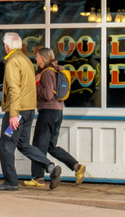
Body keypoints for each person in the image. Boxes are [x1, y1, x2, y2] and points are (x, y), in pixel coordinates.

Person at [0, 32, 49, 191]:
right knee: (23, 144)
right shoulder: (26, 60)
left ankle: (11, 182)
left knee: (5, 143)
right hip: (28, 111)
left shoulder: (12, 62)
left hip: (17, 113)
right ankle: (50, 166)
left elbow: (14, 90)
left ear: (6, 47)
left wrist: (13, 115)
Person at [31, 47, 85, 189]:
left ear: (43, 58)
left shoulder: (47, 73)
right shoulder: (55, 70)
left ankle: (39, 178)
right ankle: (76, 166)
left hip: (48, 112)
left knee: (38, 145)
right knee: (50, 146)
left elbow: (48, 94)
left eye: (37, 56)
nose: (35, 59)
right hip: (57, 112)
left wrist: (36, 83)